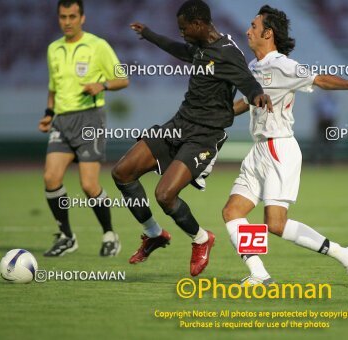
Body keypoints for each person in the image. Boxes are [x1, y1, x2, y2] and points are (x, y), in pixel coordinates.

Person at [111, 0, 272, 276]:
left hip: (205, 136)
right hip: (180, 123)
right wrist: (149, 35)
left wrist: (257, 94)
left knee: (164, 194)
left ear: (199, 25)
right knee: (122, 173)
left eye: (184, 28)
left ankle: (201, 239)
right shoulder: (200, 47)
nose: (182, 33)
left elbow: (247, 81)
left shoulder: (228, 52)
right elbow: (181, 50)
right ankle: (153, 233)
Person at [222, 5, 348, 286]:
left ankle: (345, 256)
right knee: (232, 212)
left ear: (268, 33)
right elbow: (246, 103)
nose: (248, 31)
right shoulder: (253, 67)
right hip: (259, 150)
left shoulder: (283, 65)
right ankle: (259, 274)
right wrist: (214, 115)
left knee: (276, 225)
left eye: (254, 26)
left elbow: (318, 79)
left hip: (279, 149)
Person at [38, 0, 129, 257]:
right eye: (63, 17)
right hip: (61, 121)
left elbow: (122, 79)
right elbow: (53, 87)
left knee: (89, 185)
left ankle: (110, 234)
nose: (67, 21)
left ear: (82, 18)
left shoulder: (97, 46)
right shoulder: (53, 49)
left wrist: (103, 86)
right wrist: (48, 114)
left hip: (90, 119)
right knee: (50, 178)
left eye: (72, 16)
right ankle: (67, 236)